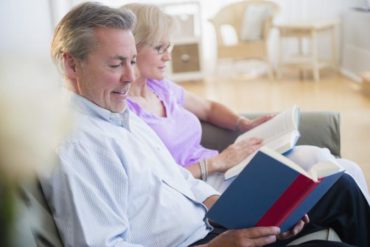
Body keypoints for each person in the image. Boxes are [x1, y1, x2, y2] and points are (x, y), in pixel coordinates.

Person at [41, 2, 370, 246]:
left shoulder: (119, 113)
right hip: (200, 242)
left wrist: (248, 214)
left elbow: (177, 180)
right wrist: (219, 244)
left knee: (339, 186)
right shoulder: (78, 147)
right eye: (116, 64)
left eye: (130, 61)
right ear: (71, 64)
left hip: (213, 223)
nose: (130, 77)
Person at [122, 3, 370, 201]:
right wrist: (218, 162)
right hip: (201, 187)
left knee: (345, 166)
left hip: (225, 169)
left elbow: (208, 108)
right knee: (328, 169)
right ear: (131, 48)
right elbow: (155, 182)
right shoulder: (127, 114)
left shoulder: (160, 87)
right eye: (158, 48)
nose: (168, 56)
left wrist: (243, 124)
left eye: (169, 47)